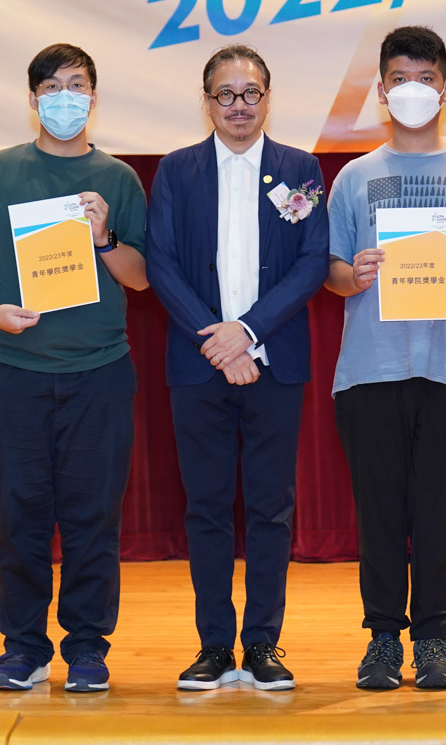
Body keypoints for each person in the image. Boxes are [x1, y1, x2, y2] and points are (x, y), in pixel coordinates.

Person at [0, 43, 149, 693]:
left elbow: (141, 278)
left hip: (100, 372)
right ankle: (23, 648)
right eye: (52, 87)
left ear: (94, 97)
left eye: (77, 85)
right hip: (11, 370)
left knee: (94, 518)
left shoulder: (118, 179)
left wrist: (105, 238)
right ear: (32, 99)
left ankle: (87, 647)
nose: (65, 98)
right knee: (19, 515)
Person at [324, 25, 446, 691]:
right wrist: (353, 274)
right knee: (378, 510)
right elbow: (330, 270)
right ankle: (382, 638)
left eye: (426, 79)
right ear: (381, 91)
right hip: (370, 370)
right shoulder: (353, 177)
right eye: (400, 79)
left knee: (439, 510)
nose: (413, 90)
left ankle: (434, 638)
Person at [145, 45, 329, 691]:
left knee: (272, 508)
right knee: (207, 507)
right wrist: (218, 341)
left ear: (268, 98)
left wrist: (247, 332)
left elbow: (312, 262)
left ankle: (263, 644)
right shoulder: (177, 170)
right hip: (199, 365)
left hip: (274, 363)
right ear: (207, 101)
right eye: (226, 94)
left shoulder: (300, 168)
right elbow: (161, 262)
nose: (239, 105)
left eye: (250, 93)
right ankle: (214, 646)